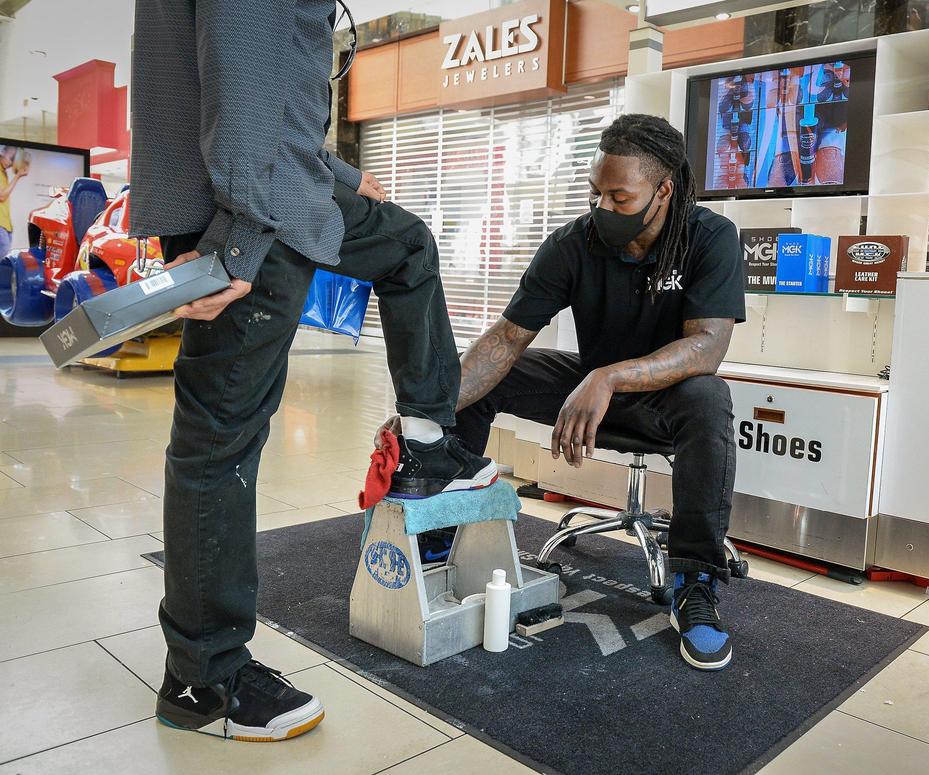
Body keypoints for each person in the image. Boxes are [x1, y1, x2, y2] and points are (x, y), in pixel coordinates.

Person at [129, 0, 494, 741]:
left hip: (277, 187)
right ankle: (206, 677)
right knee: (218, 440)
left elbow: (241, 86)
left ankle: (425, 441)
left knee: (405, 244)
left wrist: (339, 173)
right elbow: (242, 81)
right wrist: (236, 237)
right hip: (254, 212)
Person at [451, 113, 745, 671]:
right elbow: (505, 340)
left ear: (665, 190)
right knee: (497, 376)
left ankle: (695, 584)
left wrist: (609, 376)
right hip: (586, 390)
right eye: (596, 193)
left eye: (620, 197)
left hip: (663, 400)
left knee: (710, 398)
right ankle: (456, 528)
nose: (603, 209)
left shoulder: (710, 237)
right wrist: (426, 408)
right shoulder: (572, 245)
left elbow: (707, 348)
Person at [0, 146, 29, 257]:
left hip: (6, 226)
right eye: (11, 158)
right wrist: (17, 176)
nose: (12, 163)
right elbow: (2, 196)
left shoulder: (4, 172)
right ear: (2, 151)